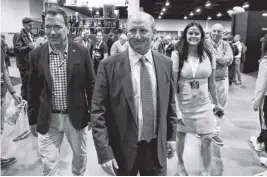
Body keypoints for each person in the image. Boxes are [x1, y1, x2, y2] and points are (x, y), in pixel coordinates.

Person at [91, 12, 177, 176]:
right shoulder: (109, 65)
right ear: (126, 31)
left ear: (154, 32)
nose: (137, 36)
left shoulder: (165, 63)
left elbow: (170, 103)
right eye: (132, 31)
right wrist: (104, 152)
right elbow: (98, 111)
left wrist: (171, 137)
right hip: (122, 150)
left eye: (143, 31)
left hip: (155, 148)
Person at [27, 8, 95, 176]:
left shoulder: (81, 52)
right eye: (48, 27)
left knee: (80, 159)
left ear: (67, 28)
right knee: (49, 165)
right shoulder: (36, 54)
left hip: (76, 117)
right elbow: (32, 88)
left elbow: (91, 84)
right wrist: (32, 118)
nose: (52, 32)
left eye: (57, 27)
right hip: (48, 118)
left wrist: (94, 113)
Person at [171, 22, 223, 176]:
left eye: (197, 33)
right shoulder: (177, 54)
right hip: (184, 103)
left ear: (201, 36)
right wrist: (177, 110)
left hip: (204, 103)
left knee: (207, 138)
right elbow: (173, 85)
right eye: (190, 33)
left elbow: (212, 83)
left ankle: (206, 172)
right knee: (181, 135)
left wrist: (217, 103)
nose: (193, 36)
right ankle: (180, 163)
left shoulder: (209, 54)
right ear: (185, 35)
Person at [206, 24, 233, 146]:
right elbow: (202, 60)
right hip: (205, 79)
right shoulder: (205, 44)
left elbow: (229, 60)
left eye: (219, 31)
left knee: (219, 105)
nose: (216, 33)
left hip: (221, 79)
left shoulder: (226, 45)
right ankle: (205, 129)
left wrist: (214, 57)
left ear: (223, 34)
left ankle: (215, 133)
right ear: (210, 32)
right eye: (214, 30)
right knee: (205, 105)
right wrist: (219, 59)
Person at [1, 35, 22, 168]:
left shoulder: (1, 45)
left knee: (0, 128)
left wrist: (13, 92)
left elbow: (3, 70)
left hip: (1, 95)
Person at [250, 37, 267, 162]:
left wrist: (256, 102)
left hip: (266, 99)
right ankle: (259, 140)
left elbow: (261, 86)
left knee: (265, 126)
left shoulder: (265, 61)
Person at [13, 17, 35, 101]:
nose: (31, 27)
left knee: (29, 82)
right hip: (23, 64)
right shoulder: (18, 35)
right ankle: (24, 100)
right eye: (30, 25)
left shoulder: (30, 34)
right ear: (24, 25)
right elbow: (17, 49)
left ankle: (28, 98)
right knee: (25, 83)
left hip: (29, 62)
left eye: (32, 25)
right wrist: (29, 47)